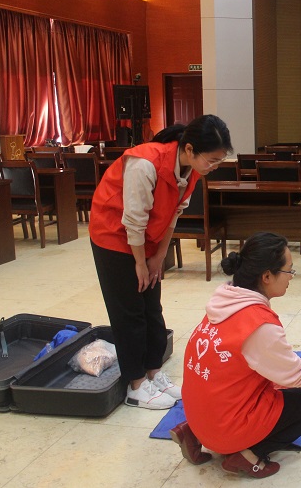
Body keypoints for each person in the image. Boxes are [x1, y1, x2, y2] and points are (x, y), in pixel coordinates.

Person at [90, 114, 233, 410]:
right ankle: (135, 385)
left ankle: (154, 373)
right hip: (114, 236)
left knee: (152, 307)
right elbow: (133, 219)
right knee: (129, 312)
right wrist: (140, 263)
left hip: (146, 239)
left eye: (219, 161)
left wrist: (157, 258)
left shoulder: (192, 170)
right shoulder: (145, 163)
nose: (214, 167)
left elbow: (173, 215)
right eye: (212, 160)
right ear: (190, 149)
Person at [171, 232, 301, 478]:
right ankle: (247, 456)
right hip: (224, 427)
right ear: (267, 276)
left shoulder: (224, 301)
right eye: (289, 270)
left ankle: (192, 433)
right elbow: (294, 373)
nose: (291, 277)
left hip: (197, 415)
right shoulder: (258, 324)